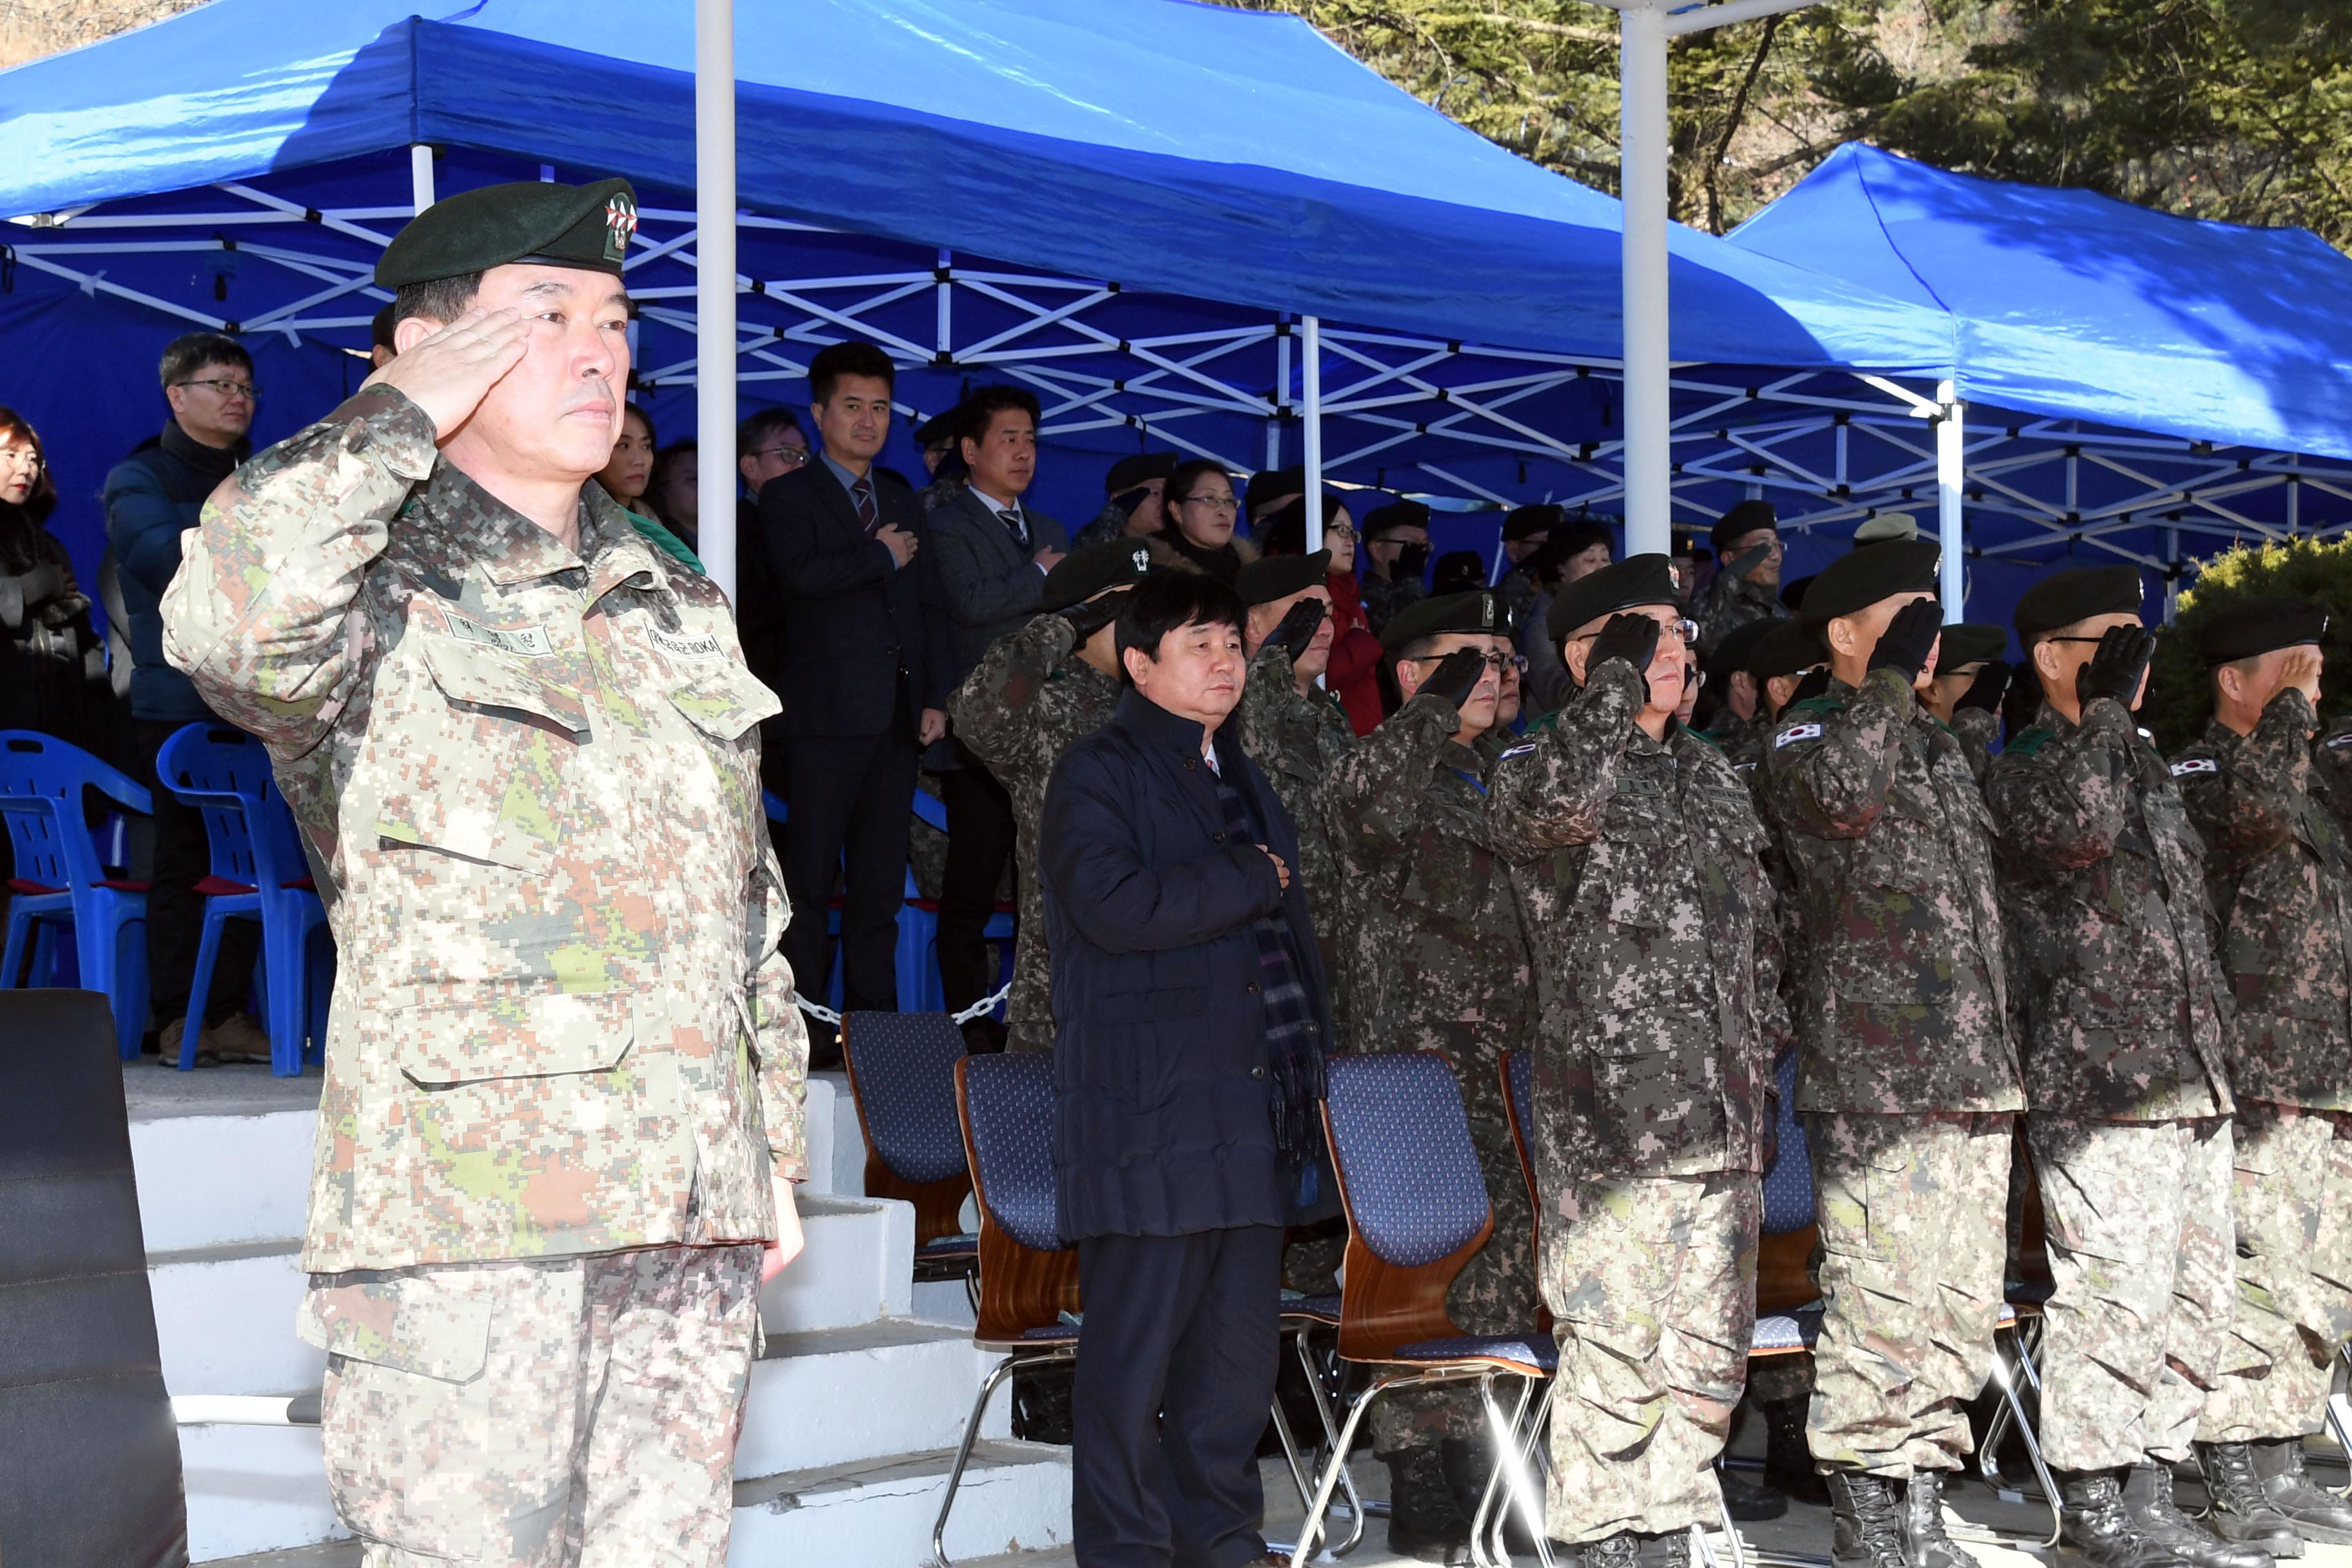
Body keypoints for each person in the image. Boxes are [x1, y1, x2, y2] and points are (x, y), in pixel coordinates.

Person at [159, 175, 807, 1567]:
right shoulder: (370, 578)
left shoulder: (673, 595)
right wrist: (393, 413)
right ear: (435, 349)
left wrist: (772, 1159)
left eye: (618, 320)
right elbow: (226, 623)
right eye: (546, 315)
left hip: (684, 1210)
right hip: (473, 1230)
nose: (601, 350)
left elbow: (743, 901)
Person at [1491, 556, 1785, 1568]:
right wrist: (1610, 690)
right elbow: (1558, 804)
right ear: (1585, 658)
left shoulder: (1710, 771)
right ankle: (1609, 1545)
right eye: (1639, 634)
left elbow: (1761, 942)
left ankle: (1665, 1533)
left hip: (1725, 1118)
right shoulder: (1538, 767)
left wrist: (1764, 1061)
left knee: (1709, 1361)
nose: (1673, 650)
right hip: (1616, 1125)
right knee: (1617, 1354)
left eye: (1677, 631)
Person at [1040, 569, 1333, 1568]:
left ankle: (1224, 1546)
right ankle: (1125, 1553)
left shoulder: (1239, 773)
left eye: (1231, 643)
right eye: (1199, 645)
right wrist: (1249, 878)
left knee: (1231, 1374)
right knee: (1130, 1372)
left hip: (1247, 1114)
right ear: (1138, 664)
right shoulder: (1097, 769)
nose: (1225, 662)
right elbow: (1113, 907)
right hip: (1147, 1118)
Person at [1760, 541, 2026, 1568]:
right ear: (1843, 635)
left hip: (1968, 1072)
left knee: (1959, 1303)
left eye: (1931, 614)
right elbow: (1839, 804)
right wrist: (1881, 688)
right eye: (1903, 614)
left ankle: (1920, 1499)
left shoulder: (1936, 747)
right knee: (1884, 1299)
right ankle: (1872, 1519)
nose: (1925, 633)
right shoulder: (1813, 730)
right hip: (1879, 1076)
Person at [1984, 565, 2242, 1568]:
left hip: (2187, 1069)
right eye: (2111, 641)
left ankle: (2153, 1483)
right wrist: (2099, 715)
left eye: (2142, 640)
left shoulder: (2137, 761)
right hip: (2102, 1083)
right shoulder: (2032, 766)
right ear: (2053, 656)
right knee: (2114, 1294)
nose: (2135, 661)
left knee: (2195, 1290)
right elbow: (2072, 835)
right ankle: (2092, 1505)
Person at [1323, 589, 1541, 1561]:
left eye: (1501, 659)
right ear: (1412, 676)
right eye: (1466, 661)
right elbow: (1362, 809)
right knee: (1422, 1269)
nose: (1492, 675)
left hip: (1509, 1061)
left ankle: (1482, 1452)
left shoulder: (1510, 777)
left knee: (1504, 1260)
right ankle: (1417, 1469)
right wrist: (1427, 712)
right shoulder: (1384, 771)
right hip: (1417, 1063)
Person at [2169, 600, 2352, 1553]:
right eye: (2289, 671)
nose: (2307, 691)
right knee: (2254, 1272)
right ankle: (2231, 1465)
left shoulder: (2310, 774)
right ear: (2234, 681)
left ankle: (2282, 1451)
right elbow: (2253, 816)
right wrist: (2288, 716)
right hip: (2258, 1063)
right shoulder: (2205, 769)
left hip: (2327, 1067)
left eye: (2313, 673)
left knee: (2318, 1276)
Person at [761, 339, 950, 1063]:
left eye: (879, 407)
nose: (868, 421)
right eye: (852, 406)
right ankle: (805, 1032)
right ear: (819, 413)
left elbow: (927, 606)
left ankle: (876, 1039)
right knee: (809, 883)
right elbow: (802, 575)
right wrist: (880, 556)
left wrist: (934, 696)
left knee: (879, 888)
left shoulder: (900, 496)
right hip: (821, 720)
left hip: (897, 720)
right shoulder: (789, 495)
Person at [103, 331, 268, 1064]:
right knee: (184, 860)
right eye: (221, 385)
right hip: (177, 703)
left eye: (246, 387)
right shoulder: (138, 475)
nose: (238, 398)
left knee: (255, 862)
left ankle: (229, 1012)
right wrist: (252, 532)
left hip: (262, 699)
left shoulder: (265, 473)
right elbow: (155, 552)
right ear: (178, 395)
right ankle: (178, 1017)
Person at [948, 541, 1145, 1054]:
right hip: (1061, 993)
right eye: (1128, 605)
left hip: (1162, 985)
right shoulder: (1045, 704)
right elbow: (976, 717)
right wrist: (1058, 628)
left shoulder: (1164, 707)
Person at [928, 384, 1071, 1042]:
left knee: (1043, 889)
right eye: (1008, 438)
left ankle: (1038, 1021)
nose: (1022, 452)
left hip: (1046, 737)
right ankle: (971, 1032)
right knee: (972, 888)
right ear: (970, 449)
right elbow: (969, 602)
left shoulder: (1048, 529)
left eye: (1030, 439)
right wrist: (1040, 578)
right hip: (979, 737)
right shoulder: (947, 523)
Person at [0, 407, 98, 741]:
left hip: (58, 713)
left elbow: (83, 637)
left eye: (32, 460)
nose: (24, 469)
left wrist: (97, 694)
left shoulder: (47, 543)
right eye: (10, 455)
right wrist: (32, 587)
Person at [1259, 493, 1383, 736]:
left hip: (1359, 738)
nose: (1350, 542)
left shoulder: (1351, 598)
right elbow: (1310, 671)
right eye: (1340, 530)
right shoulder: (1287, 592)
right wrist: (1363, 645)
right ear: (1309, 527)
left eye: (1352, 533)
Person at [732, 404, 810, 769]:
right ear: (749, 466)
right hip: (762, 698)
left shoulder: (812, 526)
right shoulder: (732, 527)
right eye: (786, 454)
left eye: (804, 456)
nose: (799, 465)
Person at [1518, 519, 1616, 718]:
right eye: (1590, 561)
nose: (1601, 568)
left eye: (1605, 559)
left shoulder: (1606, 610)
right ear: (1561, 568)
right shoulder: (1543, 623)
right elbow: (1557, 693)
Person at [594, 402, 701, 571]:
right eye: (623, 446)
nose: (639, 460)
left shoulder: (655, 521)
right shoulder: (580, 523)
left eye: (646, 447)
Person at [1916, 622, 2011, 781]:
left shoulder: (1987, 758)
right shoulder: (1913, 754)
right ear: (1931, 690)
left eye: (1997, 681)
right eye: (1981, 678)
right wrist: (1972, 727)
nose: (1996, 694)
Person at [1698, 499, 1783, 657]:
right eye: (1763, 548)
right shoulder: (1706, 605)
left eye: (1778, 545)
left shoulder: (1779, 611)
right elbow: (1707, 645)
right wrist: (1730, 577)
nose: (1776, 556)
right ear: (1730, 558)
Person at [1152, 458, 1257, 582]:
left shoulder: (1254, 574)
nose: (1223, 511)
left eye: (1228, 500)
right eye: (1210, 499)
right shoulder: (1157, 575)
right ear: (1177, 511)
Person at [1072, 450, 1177, 553]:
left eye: (1169, 495)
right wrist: (1116, 513)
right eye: (1156, 493)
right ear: (1120, 499)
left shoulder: (1176, 548)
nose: (1165, 503)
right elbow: (1089, 559)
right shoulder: (1092, 539)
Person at [1358, 500, 1431, 636]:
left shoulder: (1423, 592)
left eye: (1425, 545)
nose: (1421, 552)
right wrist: (1409, 580)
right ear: (1376, 549)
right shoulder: (1361, 601)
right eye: (1411, 543)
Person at [1493, 502, 1558, 631]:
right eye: (1544, 545)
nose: (1554, 552)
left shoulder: (1570, 596)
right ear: (1513, 550)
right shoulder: (1495, 605)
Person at [645, 436, 700, 552]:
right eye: (693, 478)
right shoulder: (658, 543)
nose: (704, 486)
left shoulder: (738, 534)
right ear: (662, 486)